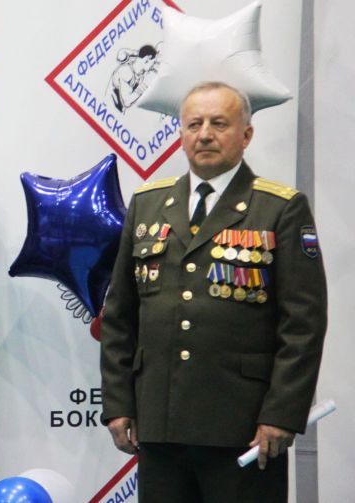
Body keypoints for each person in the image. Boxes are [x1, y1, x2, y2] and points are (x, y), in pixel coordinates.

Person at [100, 81, 327, 502]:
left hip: (244, 428)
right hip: (160, 424)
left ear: (246, 134)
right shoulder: (148, 203)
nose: (204, 134)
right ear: (181, 134)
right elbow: (119, 316)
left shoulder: (279, 208)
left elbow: (303, 325)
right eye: (194, 124)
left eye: (219, 123)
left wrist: (281, 414)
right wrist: (118, 403)